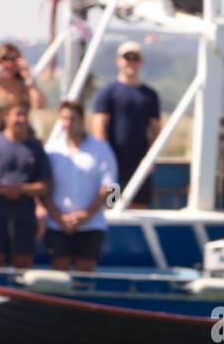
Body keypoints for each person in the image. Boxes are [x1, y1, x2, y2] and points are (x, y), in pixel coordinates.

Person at [0, 99, 51, 269]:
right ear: (6, 117)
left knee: (22, 262)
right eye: (18, 114)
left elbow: (45, 185)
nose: (21, 119)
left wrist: (22, 190)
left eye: (25, 115)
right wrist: (0, 190)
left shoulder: (36, 148)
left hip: (24, 213)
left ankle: (21, 295)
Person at [45, 99, 116, 272]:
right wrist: (59, 218)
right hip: (58, 224)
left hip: (92, 225)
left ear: (82, 120)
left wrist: (87, 215)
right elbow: (44, 187)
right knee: (59, 270)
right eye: (64, 119)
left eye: (72, 119)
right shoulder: (51, 150)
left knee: (86, 271)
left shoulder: (101, 149)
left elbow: (112, 187)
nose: (68, 124)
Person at [92, 40, 160, 208]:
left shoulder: (149, 95)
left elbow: (156, 129)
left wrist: (151, 158)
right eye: (127, 57)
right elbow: (99, 125)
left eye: (135, 58)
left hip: (139, 164)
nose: (131, 61)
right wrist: (105, 158)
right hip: (114, 164)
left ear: (141, 62)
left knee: (139, 207)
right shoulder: (107, 93)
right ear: (118, 61)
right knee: (111, 204)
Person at [0, 42, 46, 116]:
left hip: (19, 126)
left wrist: (29, 78)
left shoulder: (23, 85)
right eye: (4, 59)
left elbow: (40, 106)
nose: (9, 64)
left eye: (13, 60)